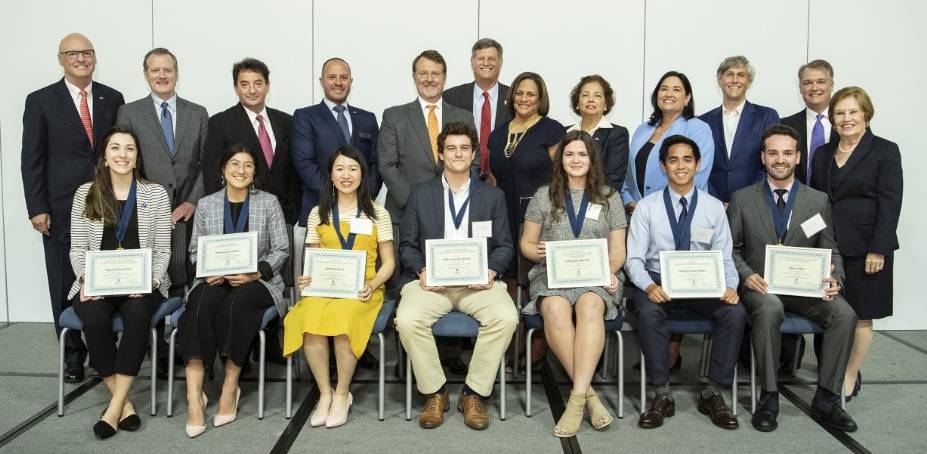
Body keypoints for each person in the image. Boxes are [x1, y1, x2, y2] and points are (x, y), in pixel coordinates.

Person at [728, 124, 858, 432]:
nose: (780, 159)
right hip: (760, 290)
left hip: (806, 290)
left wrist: (834, 278)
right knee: (771, 308)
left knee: (844, 313)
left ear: (798, 157)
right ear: (763, 157)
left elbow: (831, 250)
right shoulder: (743, 198)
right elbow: (730, 251)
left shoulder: (817, 201)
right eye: (773, 153)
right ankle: (769, 396)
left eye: (787, 152)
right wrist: (747, 277)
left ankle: (827, 397)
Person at [395, 122, 518, 430]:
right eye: (451, 148)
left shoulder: (492, 196)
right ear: (440, 154)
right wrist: (422, 270)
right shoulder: (421, 194)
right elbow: (407, 245)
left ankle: (472, 392)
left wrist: (490, 271)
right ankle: (435, 392)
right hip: (431, 284)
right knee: (408, 320)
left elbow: (504, 246)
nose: (458, 153)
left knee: (506, 317)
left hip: (478, 284)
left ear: (474, 153)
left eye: (465, 147)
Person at [21, 32, 125, 383]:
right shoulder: (41, 101)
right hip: (61, 207)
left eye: (87, 52)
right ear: (60, 59)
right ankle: (72, 356)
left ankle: (102, 349)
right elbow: (31, 159)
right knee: (65, 280)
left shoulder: (112, 97)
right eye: (73, 53)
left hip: (107, 202)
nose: (81, 58)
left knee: (106, 275)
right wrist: (37, 207)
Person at [625, 135, 744, 430]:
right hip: (657, 282)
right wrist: (648, 286)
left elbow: (725, 257)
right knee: (649, 312)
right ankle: (661, 394)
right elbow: (633, 260)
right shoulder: (647, 208)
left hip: (701, 284)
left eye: (687, 160)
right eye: (673, 160)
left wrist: (730, 286)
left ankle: (713, 392)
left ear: (698, 164)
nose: (681, 166)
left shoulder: (714, 207)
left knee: (734, 312)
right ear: (663, 167)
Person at [519, 130, 627, 437]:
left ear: (592, 159)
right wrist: (535, 250)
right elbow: (526, 243)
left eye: (582, 154)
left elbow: (618, 250)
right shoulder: (544, 195)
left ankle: (576, 399)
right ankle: (589, 395)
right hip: (553, 275)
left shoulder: (609, 196)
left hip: (597, 276)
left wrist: (609, 271)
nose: (576, 160)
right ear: (560, 159)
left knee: (591, 305)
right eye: (569, 154)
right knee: (554, 308)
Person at [178, 144, 289, 438]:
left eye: (248, 165)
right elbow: (193, 251)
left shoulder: (268, 202)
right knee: (198, 306)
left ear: (254, 173)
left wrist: (256, 272)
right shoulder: (207, 204)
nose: (241, 170)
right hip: (214, 279)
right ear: (223, 170)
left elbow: (281, 248)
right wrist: (207, 270)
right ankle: (194, 396)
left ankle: (230, 387)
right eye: (235, 164)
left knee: (236, 307)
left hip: (257, 282)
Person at [69, 127, 171, 438]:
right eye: (115, 148)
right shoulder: (86, 193)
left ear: (138, 156)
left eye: (129, 149)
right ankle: (123, 403)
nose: (122, 155)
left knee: (139, 315)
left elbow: (164, 248)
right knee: (95, 318)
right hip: (96, 284)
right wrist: (86, 280)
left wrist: (151, 280)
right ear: (105, 156)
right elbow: (77, 247)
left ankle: (112, 409)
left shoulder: (155, 193)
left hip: (142, 284)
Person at [283, 145, 395, 428]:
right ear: (330, 175)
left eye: (353, 169)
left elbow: (389, 264)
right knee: (308, 318)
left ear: (363, 175)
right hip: (324, 288)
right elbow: (311, 259)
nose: (347, 175)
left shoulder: (378, 214)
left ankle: (343, 393)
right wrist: (306, 278)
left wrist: (372, 283)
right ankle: (324, 393)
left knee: (344, 318)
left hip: (362, 289)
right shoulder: (317, 213)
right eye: (340, 169)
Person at [810, 87, 903, 403]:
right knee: (831, 311)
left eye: (853, 111)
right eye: (840, 113)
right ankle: (831, 370)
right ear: (832, 118)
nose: (846, 118)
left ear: (866, 114)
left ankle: (849, 374)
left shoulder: (885, 151)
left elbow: (890, 204)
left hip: (867, 250)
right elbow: (816, 202)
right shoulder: (823, 153)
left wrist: (880, 248)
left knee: (862, 314)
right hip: (828, 247)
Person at [379, 50, 475, 238]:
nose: (429, 79)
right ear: (414, 77)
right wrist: (415, 203)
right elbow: (387, 166)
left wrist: (458, 201)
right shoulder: (394, 116)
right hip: (406, 213)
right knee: (410, 267)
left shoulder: (464, 117)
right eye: (423, 74)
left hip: (456, 213)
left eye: (435, 74)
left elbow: (474, 161)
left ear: (444, 78)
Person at [117, 47, 209, 226]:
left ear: (177, 74)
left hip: (189, 213)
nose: (162, 75)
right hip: (144, 211)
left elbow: (208, 162)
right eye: (155, 70)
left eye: (168, 70)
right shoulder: (128, 113)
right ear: (146, 75)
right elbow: (123, 162)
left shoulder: (198, 113)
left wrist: (193, 201)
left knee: (185, 255)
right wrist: (143, 203)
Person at [488, 72, 565, 277]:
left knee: (535, 273)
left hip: (540, 214)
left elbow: (561, 176)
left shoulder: (552, 130)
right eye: (519, 93)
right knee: (506, 269)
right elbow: (492, 179)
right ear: (512, 96)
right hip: (503, 214)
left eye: (530, 94)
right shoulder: (496, 135)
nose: (523, 98)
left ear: (540, 99)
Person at [203, 57, 298, 224]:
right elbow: (212, 175)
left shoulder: (286, 122)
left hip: (283, 216)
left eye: (258, 83)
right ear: (236, 88)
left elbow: (294, 172)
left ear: (267, 86)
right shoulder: (220, 123)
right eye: (245, 84)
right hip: (238, 215)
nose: (252, 90)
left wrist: (293, 210)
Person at [293, 57, 381, 226]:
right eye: (332, 77)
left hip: (361, 211)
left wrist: (363, 196)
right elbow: (304, 164)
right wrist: (336, 197)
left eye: (344, 77)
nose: (338, 82)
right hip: (320, 210)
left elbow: (375, 163)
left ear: (351, 81)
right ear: (321, 81)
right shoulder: (305, 117)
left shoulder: (367, 119)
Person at [622, 71, 714, 212]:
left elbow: (699, 177)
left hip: (681, 212)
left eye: (676, 90)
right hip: (638, 213)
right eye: (664, 89)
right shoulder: (643, 129)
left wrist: (657, 207)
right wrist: (628, 200)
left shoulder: (698, 128)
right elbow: (627, 171)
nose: (668, 94)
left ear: (687, 98)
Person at [700, 56, 780, 203]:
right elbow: (699, 165)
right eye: (729, 74)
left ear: (748, 82)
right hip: (711, 203)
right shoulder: (703, 122)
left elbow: (772, 162)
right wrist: (714, 202)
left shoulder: (766, 116)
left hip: (754, 203)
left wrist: (744, 200)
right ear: (719, 80)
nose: (735, 80)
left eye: (741, 75)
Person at [443, 38, 511, 180]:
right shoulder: (451, 97)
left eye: (491, 58)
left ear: (500, 62)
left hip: (503, 180)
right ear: (472, 62)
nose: (486, 63)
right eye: (481, 58)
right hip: (461, 179)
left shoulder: (514, 98)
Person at [565, 74, 630, 192]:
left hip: (601, 203)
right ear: (577, 103)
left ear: (606, 104)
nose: (590, 99)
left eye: (597, 95)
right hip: (564, 201)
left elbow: (614, 179)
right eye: (585, 95)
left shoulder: (617, 134)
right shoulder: (563, 133)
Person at [781, 59, 839, 184]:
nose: (814, 87)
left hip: (840, 200)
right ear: (800, 87)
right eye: (807, 82)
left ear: (832, 85)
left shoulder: (848, 125)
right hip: (797, 201)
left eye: (821, 81)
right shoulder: (784, 126)